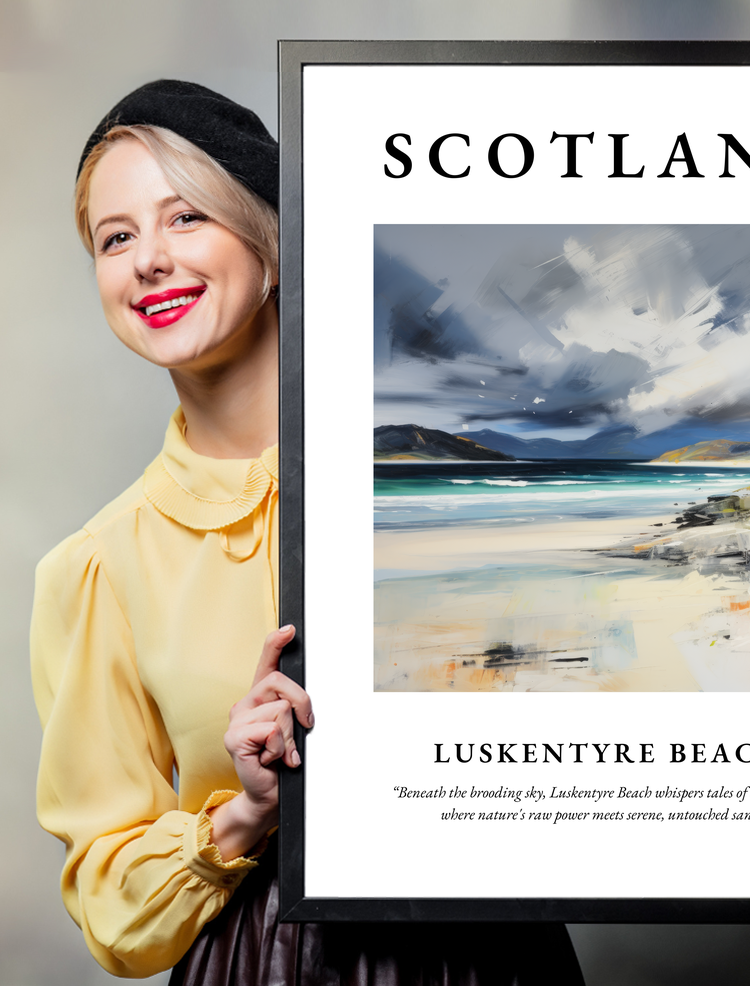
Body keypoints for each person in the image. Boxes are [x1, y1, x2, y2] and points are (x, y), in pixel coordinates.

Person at [30, 80, 586, 984]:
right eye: (116, 237)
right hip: (262, 962)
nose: (148, 261)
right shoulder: (97, 567)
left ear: (273, 243)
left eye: (185, 219)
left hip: (492, 953)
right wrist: (245, 812)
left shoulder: (444, 485)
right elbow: (110, 903)